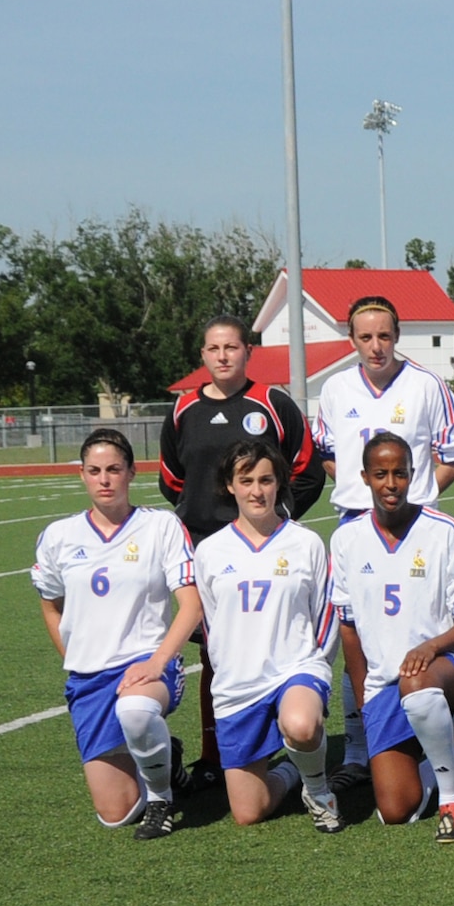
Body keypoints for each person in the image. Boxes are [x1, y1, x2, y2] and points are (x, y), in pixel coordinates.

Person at [158, 312, 325, 793]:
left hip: (268, 547)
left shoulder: (272, 401)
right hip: (210, 555)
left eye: (232, 347)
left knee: (276, 645)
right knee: (217, 652)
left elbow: (306, 469)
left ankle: (286, 743)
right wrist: (209, 527)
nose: (223, 356)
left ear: (247, 352)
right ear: (203, 356)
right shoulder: (183, 409)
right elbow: (173, 480)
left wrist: (275, 524)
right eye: (214, 349)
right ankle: (217, 755)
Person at [312, 295, 454, 788]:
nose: (375, 346)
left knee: (423, 635)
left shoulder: (427, 385)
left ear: (397, 335)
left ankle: (445, 741)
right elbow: (325, 451)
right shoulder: (335, 388)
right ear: (351, 339)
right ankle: (359, 747)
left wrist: (416, 498)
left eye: (384, 336)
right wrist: (368, 496)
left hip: (415, 533)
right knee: (357, 637)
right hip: (356, 530)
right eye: (365, 337)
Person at [32, 428, 202, 840]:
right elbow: (50, 604)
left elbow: (193, 605)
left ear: (132, 473)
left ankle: (162, 798)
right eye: (94, 471)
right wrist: (71, 657)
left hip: (147, 666)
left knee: (136, 711)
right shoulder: (59, 536)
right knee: (116, 814)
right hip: (89, 678)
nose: (104, 479)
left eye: (113, 469)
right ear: (82, 475)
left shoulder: (160, 526)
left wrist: (157, 662)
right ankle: (165, 755)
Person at [329, 432, 454, 843]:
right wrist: (363, 696)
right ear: (364, 478)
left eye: (400, 473)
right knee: (396, 810)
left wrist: (431, 646)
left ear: (413, 475)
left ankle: (453, 801)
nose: (391, 483)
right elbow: (348, 627)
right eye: (381, 474)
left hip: (449, 666)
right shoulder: (347, 538)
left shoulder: (445, 531)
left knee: (416, 682)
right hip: (385, 682)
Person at [191, 439, 341, 831]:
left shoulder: (306, 543)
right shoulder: (209, 551)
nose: (257, 491)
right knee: (249, 812)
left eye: (266, 480)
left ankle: (318, 788)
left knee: (301, 724)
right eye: (246, 481)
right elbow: (211, 623)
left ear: (279, 484)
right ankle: (293, 772)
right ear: (230, 485)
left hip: (296, 669)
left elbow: (324, 614)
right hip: (238, 684)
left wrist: (316, 670)